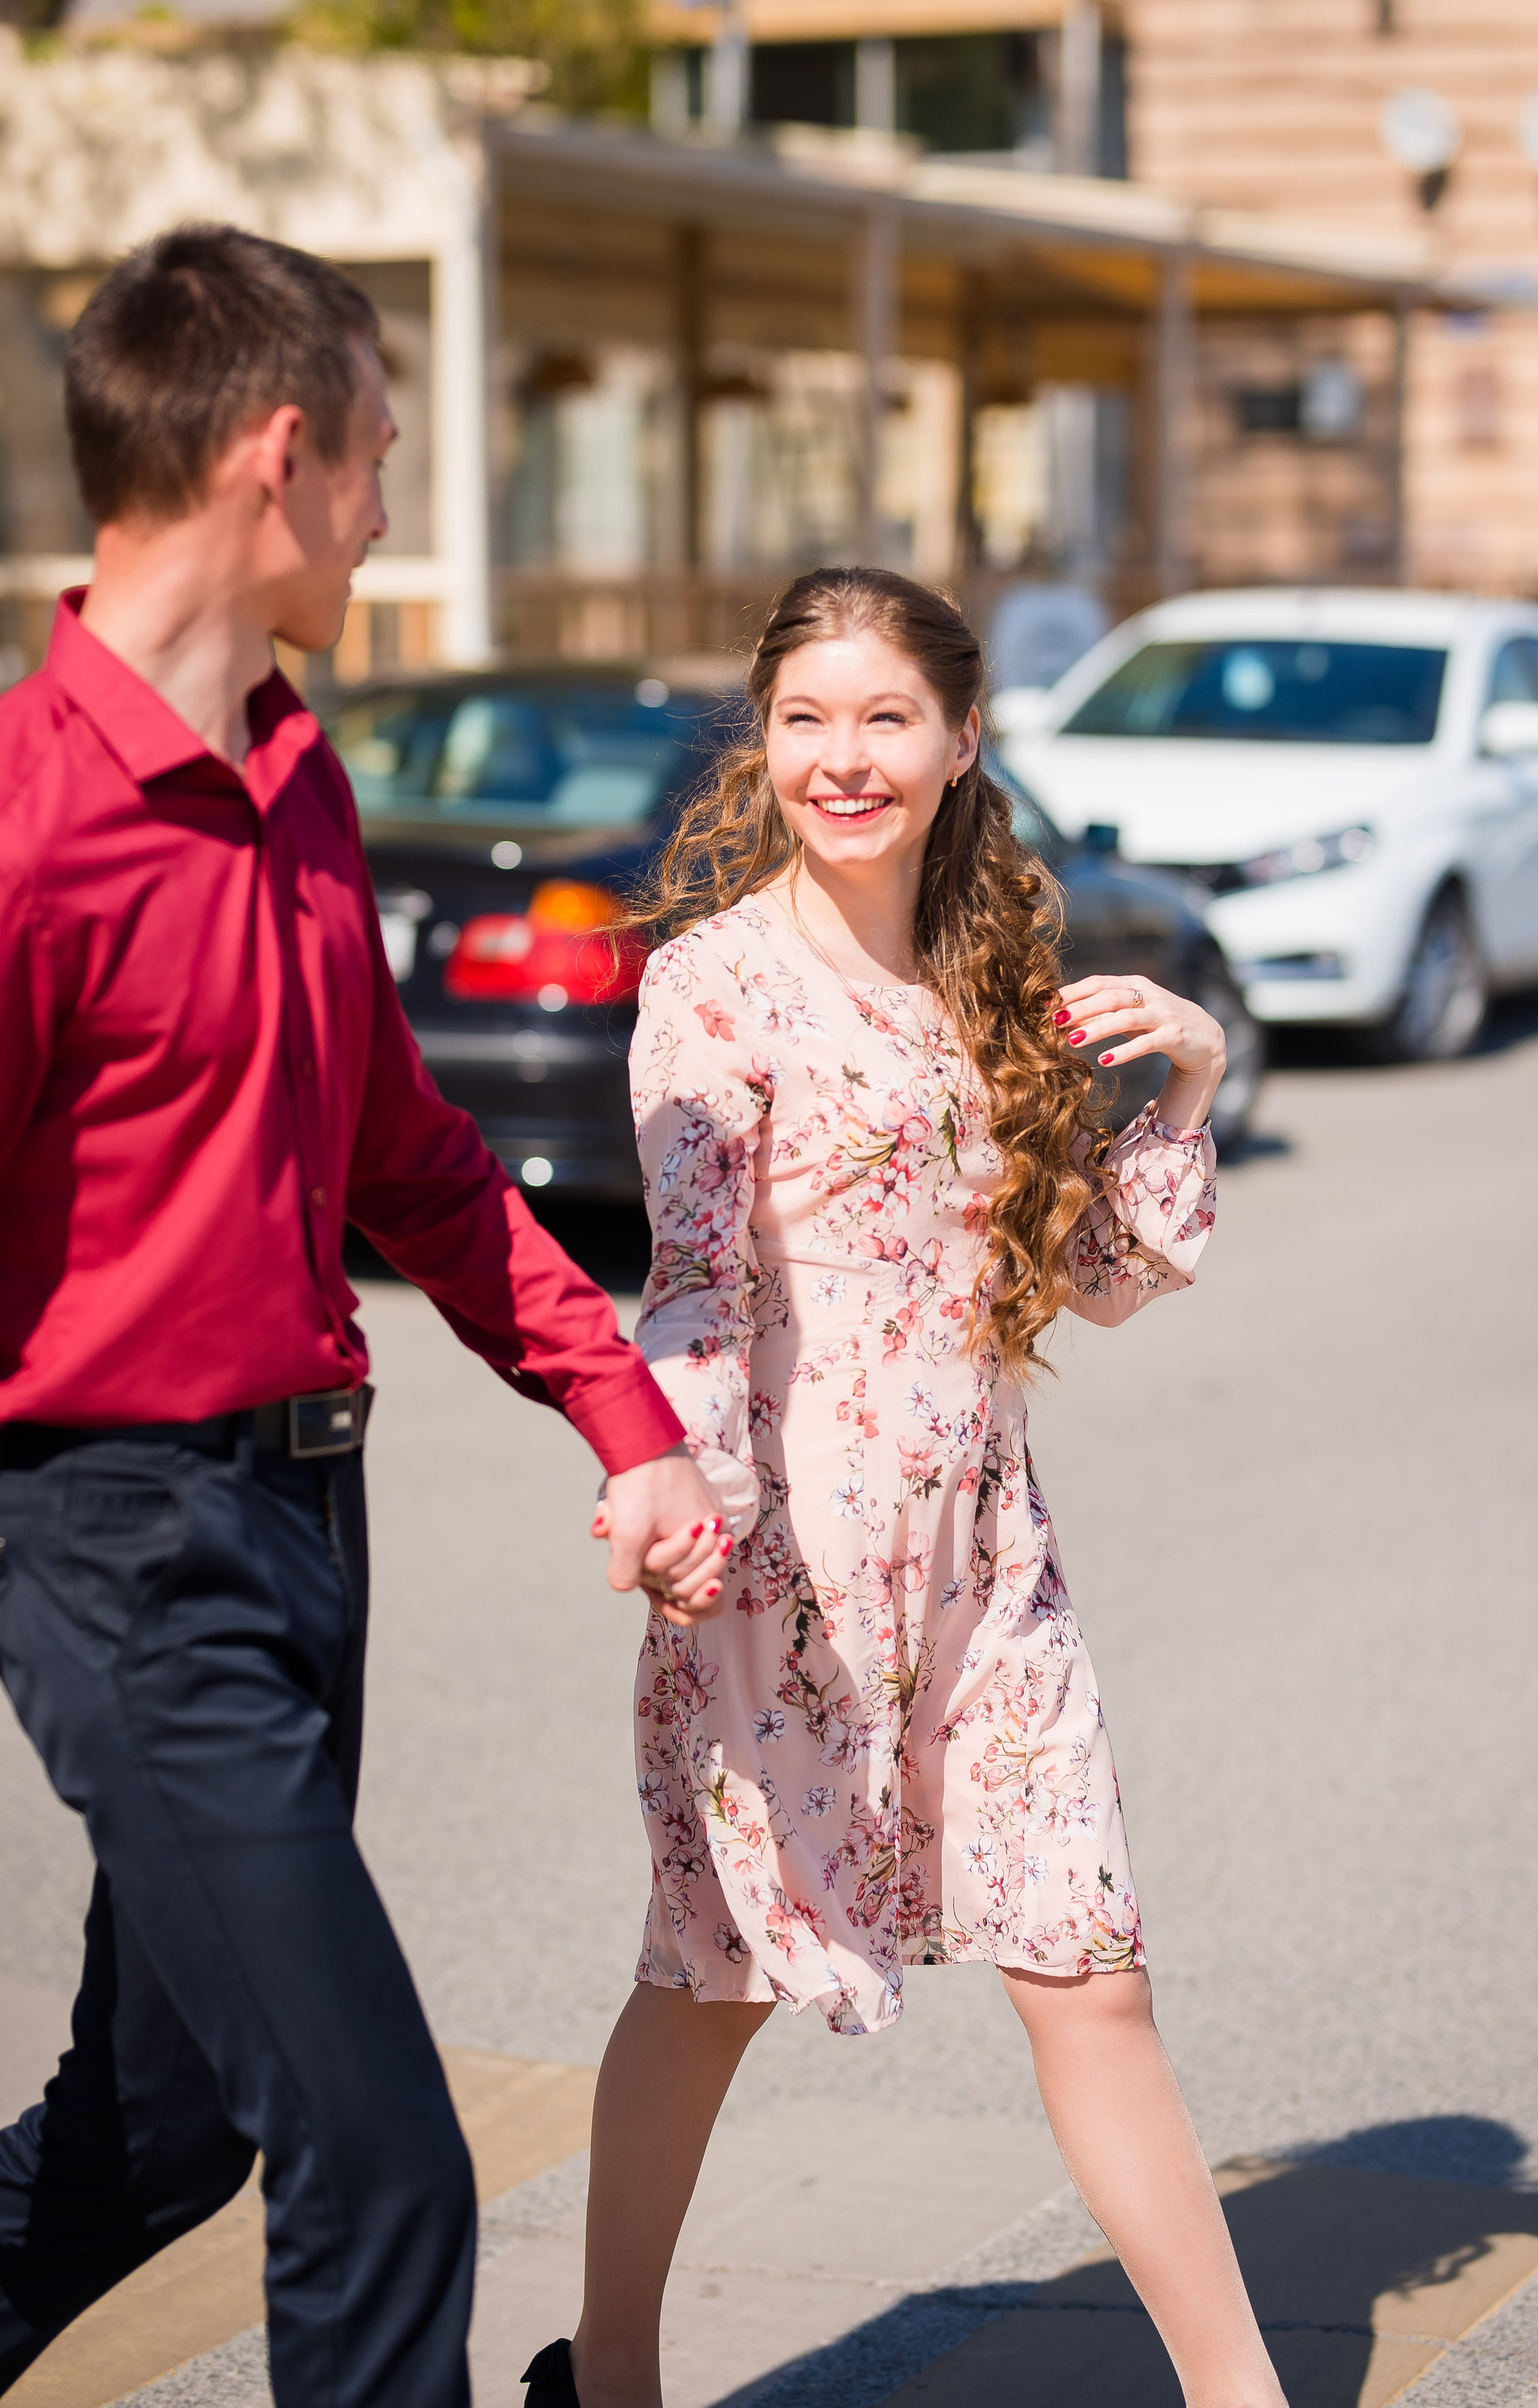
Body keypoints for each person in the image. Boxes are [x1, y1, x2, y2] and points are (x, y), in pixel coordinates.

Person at [0, 222, 728, 2407]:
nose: (391, 509)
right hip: (123, 1544)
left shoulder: (297, 773)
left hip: (308, 1519)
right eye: (383, 457)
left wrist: (627, 1411)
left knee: (161, 2133)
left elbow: (407, 1154)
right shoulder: (28, 828)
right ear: (280, 454)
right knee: (384, 2159)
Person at [522, 568, 1288, 2408]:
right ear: (765, 739)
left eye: (884, 718)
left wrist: (1187, 1081)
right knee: (713, 1975)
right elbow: (696, 1284)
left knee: (1090, 1966)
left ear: (961, 740)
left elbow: (1090, 1274)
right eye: (805, 718)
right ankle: (607, 2378)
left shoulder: (990, 979)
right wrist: (674, 1483)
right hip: (781, 1558)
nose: (841, 758)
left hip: (988, 1559)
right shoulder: (714, 983)